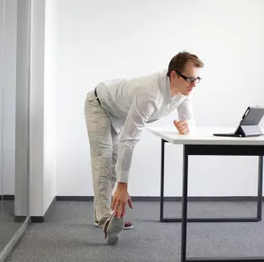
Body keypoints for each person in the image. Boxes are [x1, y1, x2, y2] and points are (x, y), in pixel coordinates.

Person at [84, 51, 203, 244]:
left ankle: (104, 212)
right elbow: (129, 139)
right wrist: (123, 186)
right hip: (100, 105)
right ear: (173, 75)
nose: (194, 84)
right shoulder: (149, 94)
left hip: (120, 111)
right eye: (190, 79)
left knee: (115, 162)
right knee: (105, 160)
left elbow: (189, 119)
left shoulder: (184, 91)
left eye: (197, 79)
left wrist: (187, 126)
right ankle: (105, 219)